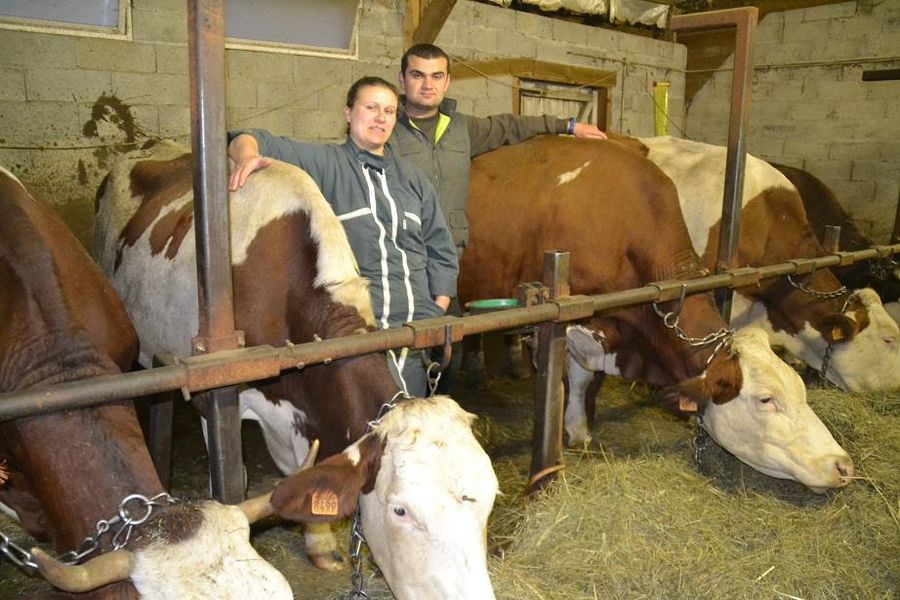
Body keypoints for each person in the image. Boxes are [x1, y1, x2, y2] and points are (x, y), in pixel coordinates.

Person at [392, 43, 608, 391]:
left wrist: (568, 125)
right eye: (417, 75)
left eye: (436, 76)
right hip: (398, 265)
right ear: (402, 80)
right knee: (400, 356)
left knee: (448, 357)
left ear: (447, 82)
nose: (427, 84)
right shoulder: (386, 129)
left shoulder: (460, 128)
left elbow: (510, 126)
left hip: (444, 267)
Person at [228, 76, 458, 398]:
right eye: (371, 107)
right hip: (360, 335)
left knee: (414, 416)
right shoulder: (325, 163)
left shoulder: (413, 180)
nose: (380, 118)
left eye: (389, 111)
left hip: (417, 332)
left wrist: (436, 309)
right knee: (372, 414)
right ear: (348, 113)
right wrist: (245, 155)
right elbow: (246, 137)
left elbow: (441, 249)